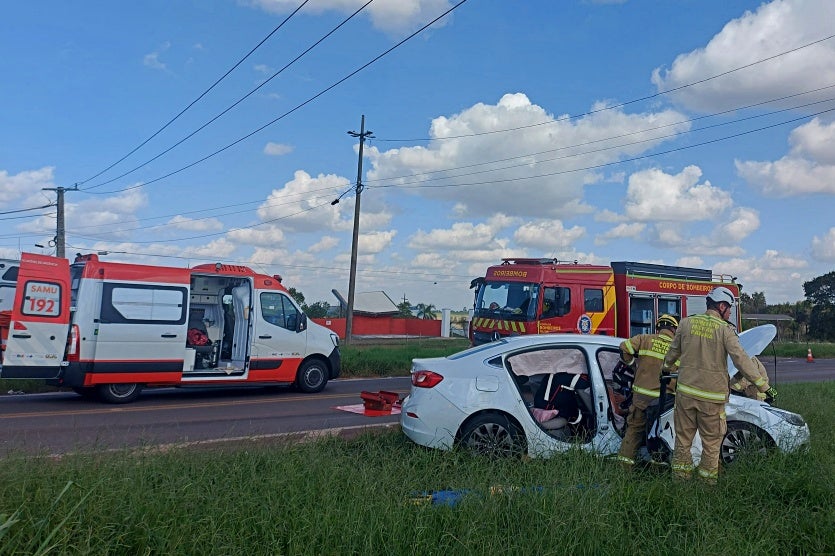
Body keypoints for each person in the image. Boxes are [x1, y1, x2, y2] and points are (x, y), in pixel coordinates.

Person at [662, 286, 776, 483]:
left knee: (682, 443)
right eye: (729, 308)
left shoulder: (686, 324)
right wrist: (765, 388)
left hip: (685, 397)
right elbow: (742, 361)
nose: (730, 312)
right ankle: (707, 487)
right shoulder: (725, 331)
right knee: (712, 445)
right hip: (712, 402)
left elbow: (672, 353)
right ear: (721, 306)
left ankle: (680, 484)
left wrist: (665, 369)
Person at [615, 314, 679, 469]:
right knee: (659, 436)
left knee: (634, 432)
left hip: (641, 399)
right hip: (664, 403)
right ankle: (657, 471)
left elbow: (624, 347)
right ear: (674, 329)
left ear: (658, 328)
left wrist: (633, 365)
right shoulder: (678, 348)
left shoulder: (645, 339)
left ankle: (624, 471)